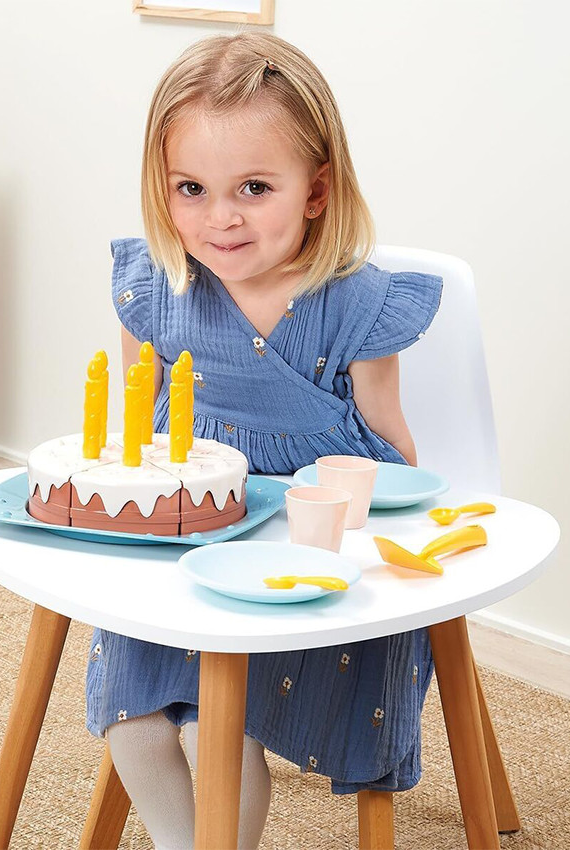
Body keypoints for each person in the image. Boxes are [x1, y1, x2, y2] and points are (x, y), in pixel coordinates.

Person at [87, 31, 443, 849]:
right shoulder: (156, 288)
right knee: (130, 715)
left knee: (230, 719)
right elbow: (136, 434)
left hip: (304, 560)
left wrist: (355, 538)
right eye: (191, 188)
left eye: (253, 186)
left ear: (316, 190)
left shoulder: (357, 305)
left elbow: (393, 454)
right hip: (183, 539)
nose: (221, 219)